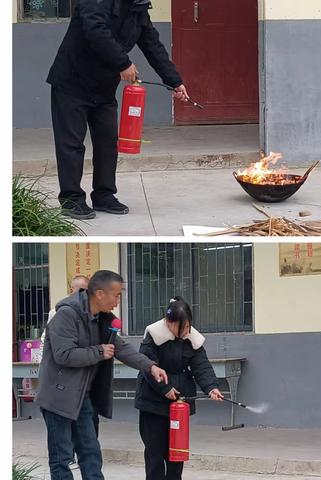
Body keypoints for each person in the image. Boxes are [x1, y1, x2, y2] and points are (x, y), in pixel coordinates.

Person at [47, 0, 190, 220]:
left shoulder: (138, 8)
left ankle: (104, 195)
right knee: (71, 145)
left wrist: (175, 81)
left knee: (108, 143)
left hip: (103, 89)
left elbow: (153, 46)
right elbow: (95, 30)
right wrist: (122, 63)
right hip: (72, 83)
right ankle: (71, 199)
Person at [36, 270, 169, 480]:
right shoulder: (67, 315)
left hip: (82, 397)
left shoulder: (103, 319)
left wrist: (150, 366)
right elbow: (64, 355)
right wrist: (98, 351)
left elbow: (121, 349)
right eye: (116, 295)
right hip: (57, 397)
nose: (118, 301)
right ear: (99, 294)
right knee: (61, 457)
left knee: (90, 453)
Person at [135, 296, 224, 480]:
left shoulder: (192, 338)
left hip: (179, 404)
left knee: (177, 452)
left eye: (188, 327)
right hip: (153, 403)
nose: (185, 331)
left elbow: (202, 366)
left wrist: (211, 388)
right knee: (155, 453)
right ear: (169, 322)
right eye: (181, 327)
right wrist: (165, 388)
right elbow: (147, 366)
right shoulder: (153, 334)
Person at [38, 274, 90, 471]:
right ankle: (68, 457)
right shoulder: (60, 312)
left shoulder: (90, 312)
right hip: (59, 381)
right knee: (60, 437)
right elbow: (50, 345)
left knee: (86, 437)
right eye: (79, 290)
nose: (82, 295)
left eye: (86, 290)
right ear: (72, 289)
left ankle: (76, 456)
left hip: (80, 383)